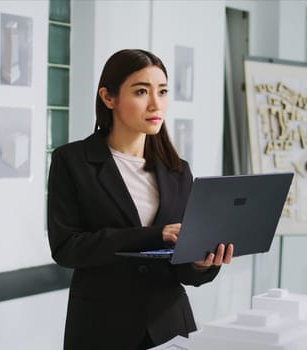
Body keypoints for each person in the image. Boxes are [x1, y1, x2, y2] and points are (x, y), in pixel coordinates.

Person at [47, 48, 233, 350]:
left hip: (170, 328)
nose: (155, 104)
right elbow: (67, 248)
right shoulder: (73, 161)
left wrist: (201, 264)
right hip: (100, 328)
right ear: (109, 98)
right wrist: (154, 235)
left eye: (162, 91)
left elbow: (183, 269)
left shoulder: (177, 171)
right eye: (141, 91)